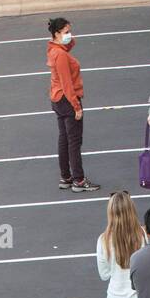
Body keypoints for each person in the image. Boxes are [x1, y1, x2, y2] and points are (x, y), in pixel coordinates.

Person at [47, 17, 100, 193]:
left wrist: (67, 38)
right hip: (67, 99)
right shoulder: (61, 55)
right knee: (74, 141)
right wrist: (76, 107)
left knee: (64, 139)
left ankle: (66, 176)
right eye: (66, 32)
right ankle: (79, 179)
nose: (70, 35)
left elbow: (69, 45)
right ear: (57, 34)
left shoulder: (54, 49)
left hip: (57, 99)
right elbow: (67, 83)